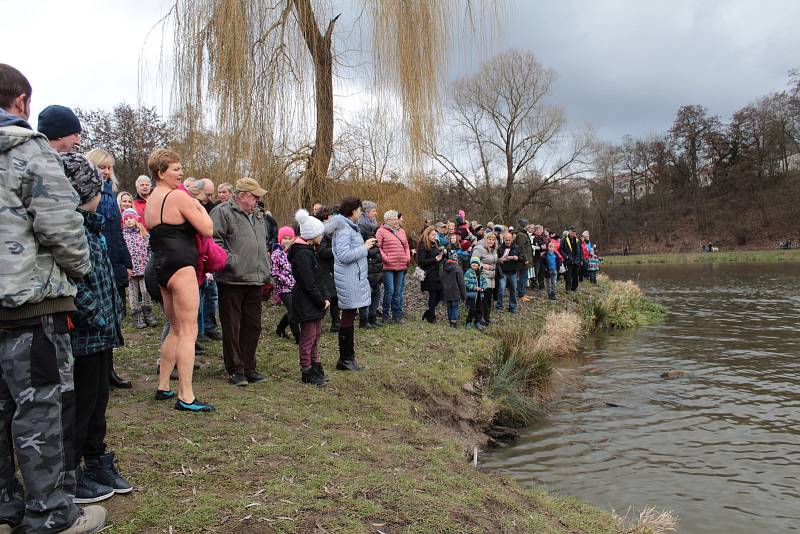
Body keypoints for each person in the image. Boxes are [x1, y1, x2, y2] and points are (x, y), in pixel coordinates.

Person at [0, 63, 106, 532]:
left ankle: (5, 505)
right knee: (39, 409)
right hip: (29, 307)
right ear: (22, 101)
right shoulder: (27, 150)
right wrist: (80, 270)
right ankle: (49, 515)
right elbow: (62, 228)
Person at [61, 153, 134, 505]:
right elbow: (77, 285)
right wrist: (101, 318)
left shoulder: (93, 227)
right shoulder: (73, 230)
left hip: (101, 335)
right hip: (85, 335)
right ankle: (72, 471)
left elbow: (103, 280)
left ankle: (96, 459)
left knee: (98, 402)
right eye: (97, 185)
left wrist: (114, 312)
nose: (104, 189)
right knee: (82, 403)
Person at [145, 148, 215, 412]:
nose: (181, 172)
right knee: (188, 331)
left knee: (174, 328)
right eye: (175, 169)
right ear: (161, 173)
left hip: (161, 266)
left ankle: (163, 385)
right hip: (181, 266)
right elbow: (208, 229)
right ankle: (186, 395)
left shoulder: (152, 199)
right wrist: (197, 205)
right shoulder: (177, 196)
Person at [210, 178, 270, 387]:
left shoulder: (259, 216)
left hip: (255, 278)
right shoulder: (222, 212)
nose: (258, 200)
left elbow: (262, 242)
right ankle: (235, 369)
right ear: (242, 195)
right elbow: (213, 241)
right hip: (232, 279)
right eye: (255, 196)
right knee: (232, 326)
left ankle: (249, 366)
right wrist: (231, 261)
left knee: (253, 326)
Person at [85, 148, 133, 389]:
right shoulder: (89, 195)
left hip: (113, 261)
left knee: (114, 315)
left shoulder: (109, 196)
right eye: (101, 166)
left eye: (108, 167)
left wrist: (126, 262)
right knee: (102, 317)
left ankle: (109, 370)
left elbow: (117, 233)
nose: (105, 171)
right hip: (99, 262)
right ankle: (102, 373)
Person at [327, 196, 374, 371]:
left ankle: (348, 358)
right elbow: (344, 255)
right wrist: (365, 247)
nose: (361, 213)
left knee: (349, 314)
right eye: (359, 210)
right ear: (352, 211)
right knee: (347, 314)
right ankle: (345, 359)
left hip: (354, 277)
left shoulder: (349, 227)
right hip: (348, 278)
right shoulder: (344, 229)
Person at [288, 210, 329, 386]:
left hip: (313, 301)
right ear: (313, 235)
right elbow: (309, 282)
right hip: (307, 301)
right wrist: (321, 300)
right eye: (320, 233)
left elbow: (318, 277)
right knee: (308, 336)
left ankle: (314, 364)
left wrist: (325, 296)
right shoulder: (303, 254)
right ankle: (306, 369)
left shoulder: (309, 250)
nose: (322, 237)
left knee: (316, 334)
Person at [122, 208, 157, 328]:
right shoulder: (123, 236)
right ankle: (136, 316)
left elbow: (150, 249)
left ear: (136, 219)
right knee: (133, 294)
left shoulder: (143, 233)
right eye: (126, 219)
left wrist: (151, 264)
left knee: (145, 291)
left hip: (144, 269)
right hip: (131, 271)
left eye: (130, 218)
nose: (128, 221)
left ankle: (148, 313)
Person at [376, 210, 410, 323]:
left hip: (401, 266)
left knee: (398, 292)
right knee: (389, 290)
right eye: (394, 219)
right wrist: (386, 258)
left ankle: (397, 315)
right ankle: (385, 315)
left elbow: (406, 246)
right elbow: (377, 247)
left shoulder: (402, 231)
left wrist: (407, 257)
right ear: (387, 220)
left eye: (397, 219)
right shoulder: (381, 231)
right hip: (388, 267)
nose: (397, 221)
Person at [357, 200, 384, 328]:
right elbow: (361, 248)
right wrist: (373, 250)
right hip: (366, 265)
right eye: (374, 211)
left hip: (375, 265)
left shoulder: (372, 226)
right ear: (367, 213)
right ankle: (363, 319)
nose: (376, 213)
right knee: (366, 293)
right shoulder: (361, 227)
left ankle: (372, 317)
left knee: (377, 292)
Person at [271, 226, 300, 343]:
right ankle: (299, 337)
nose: (287, 241)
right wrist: (286, 281)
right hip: (283, 288)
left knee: (294, 309)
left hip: (295, 286)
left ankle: (280, 328)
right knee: (293, 311)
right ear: (280, 239)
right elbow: (274, 272)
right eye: (285, 238)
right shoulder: (276, 254)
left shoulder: (293, 252)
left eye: (289, 238)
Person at [315, 206, 340, 332]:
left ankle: (336, 323)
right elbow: (322, 251)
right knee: (328, 296)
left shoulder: (331, 232)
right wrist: (337, 250)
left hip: (332, 268)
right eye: (332, 216)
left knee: (335, 297)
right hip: (323, 268)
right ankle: (316, 321)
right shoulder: (321, 232)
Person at [416, 225, 446, 323]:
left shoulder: (436, 243)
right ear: (427, 235)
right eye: (433, 234)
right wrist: (434, 260)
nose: (435, 236)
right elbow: (421, 261)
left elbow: (438, 255)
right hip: (428, 273)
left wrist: (443, 253)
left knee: (440, 294)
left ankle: (428, 312)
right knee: (433, 294)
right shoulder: (423, 245)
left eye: (435, 234)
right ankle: (431, 317)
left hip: (438, 272)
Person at [472, 231, 499, 325]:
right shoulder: (479, 249)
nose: (491, 241)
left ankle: (487, 317)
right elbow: (473, 261)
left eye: (493, 239)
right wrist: (483, 266)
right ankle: (480, 318)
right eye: (489, 239)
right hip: (483, 275)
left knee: (489, 298)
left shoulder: (494, 249)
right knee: (483, 297)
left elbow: (494, 261)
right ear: (485, 239)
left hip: (492, 275)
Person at [496, 232, 521, 313]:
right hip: (503, 272)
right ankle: (499, 305)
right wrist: (501, 259)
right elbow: (497, 260)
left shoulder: (516, 248)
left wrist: (517, 258)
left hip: (513, 272)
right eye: (506, 240)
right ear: (503, 239)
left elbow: (522, 258)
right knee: (501, 289)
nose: (508, 242)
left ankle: (512, 307)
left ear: (512, 239)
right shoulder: (500, 248)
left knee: (513, 290)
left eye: (509, 240)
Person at [441, 248, 466, 327]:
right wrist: (464, 295)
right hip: (455, 292)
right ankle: (454, 322)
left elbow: (441, 279)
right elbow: (461, 283)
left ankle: (450, 321)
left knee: (449, 307)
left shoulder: (444, 268)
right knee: (455, 306)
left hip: (446, 291)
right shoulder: (458, 268)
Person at [464, 256, 488, 329]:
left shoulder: (481, 273)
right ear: (470, 264)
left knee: (479, 309)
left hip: (480, 295)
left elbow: (485, 282)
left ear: (478, 265)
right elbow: (465, 283)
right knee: (472, 309)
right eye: (473, 263)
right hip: (472, 295)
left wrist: (483, 288)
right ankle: (468, 322)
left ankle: (477, 322)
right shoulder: (468, 272)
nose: (474, 264)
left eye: (476, 263)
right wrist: (474, 288)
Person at [514, 220, 534, 300]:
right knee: (523, 277)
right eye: (528, 225)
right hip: (523, 260)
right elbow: (521, 248)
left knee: (524, 277)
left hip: (526, 259)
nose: (529, 226)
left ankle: (522, 293)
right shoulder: (521, 235)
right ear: (524, 226)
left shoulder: (523, 233)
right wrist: (525, 259)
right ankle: (521, 294)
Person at [560, 227, 582, 292]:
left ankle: (574, 288)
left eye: (575, 232)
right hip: (569, 260)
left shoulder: (577, 240)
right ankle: (568, 288)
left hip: (577, 260)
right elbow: (561, 249)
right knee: (568, 275)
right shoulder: (564, 240)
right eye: (572, 232)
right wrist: (566, 256)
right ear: (569, 231)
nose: (574, 233)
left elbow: (581, 250)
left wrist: (581, 259)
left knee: (576, 275)